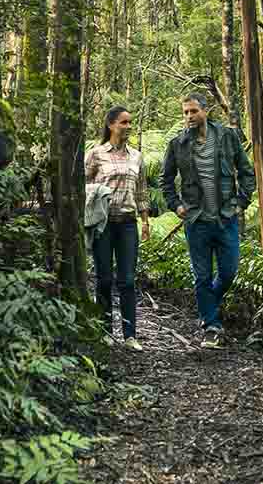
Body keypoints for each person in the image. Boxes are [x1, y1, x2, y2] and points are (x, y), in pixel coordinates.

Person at [159, 92, 255, 347]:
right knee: (201, 276)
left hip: (225, 218)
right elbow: (165, 180)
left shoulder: (227, 137)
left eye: (193, 111)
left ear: (205, 111)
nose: (189, 116)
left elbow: (246, 171)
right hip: (197, 220)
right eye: (185, 112)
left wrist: (240, 203)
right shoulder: (177, 144)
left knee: (229, 271)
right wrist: (176, 205)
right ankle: (211, 326)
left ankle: (207, 307)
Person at [85, 106, 152, 350]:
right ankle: (104, 331)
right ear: (111, 125)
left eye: (130, 123)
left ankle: (130, 335)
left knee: (127, 280)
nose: (128, 127)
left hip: (127, 224)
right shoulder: (96, 154)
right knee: (103, 278)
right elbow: (84, 185)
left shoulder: (137, 156)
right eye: (124, 123)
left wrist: (145, 221)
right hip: (102, 225)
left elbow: (142, 191)